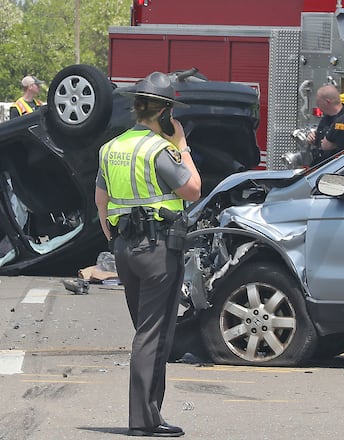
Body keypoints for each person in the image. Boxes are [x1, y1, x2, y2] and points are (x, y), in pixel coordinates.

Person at [95, 71, 201, 438]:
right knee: (152, 335)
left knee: (145, 331)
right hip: (157, 251)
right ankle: (144, 419)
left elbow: (101, 202)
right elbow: (193, 189)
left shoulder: (111, 148)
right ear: (165, 113)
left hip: (125, 249)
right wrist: (182, 144)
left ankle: (148, 415)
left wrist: (116, 238)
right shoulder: (160, 150)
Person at [306, 84, 344, 163]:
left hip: (337, 164)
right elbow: (320, 139)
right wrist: (312, 138)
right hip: (321, 163)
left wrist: (334, 145)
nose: (317, 105)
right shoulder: (325, 119)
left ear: (327, 102)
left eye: (318, 102)